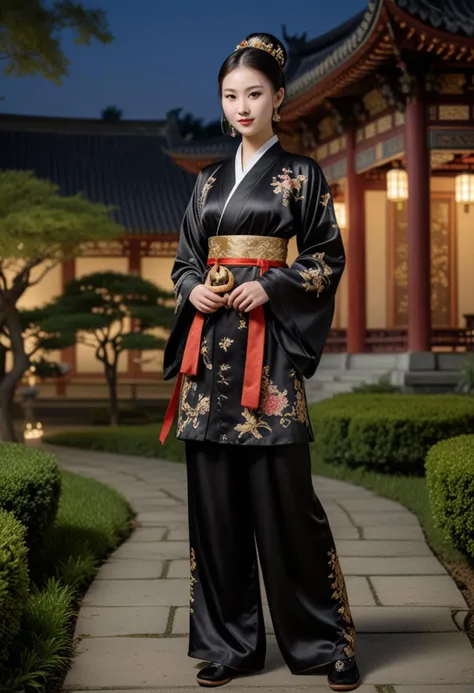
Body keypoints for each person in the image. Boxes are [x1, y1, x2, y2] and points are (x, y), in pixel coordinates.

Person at [159, 32, 361, 692]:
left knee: (288, 506)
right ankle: (230, 645)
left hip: (267, 358)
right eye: (230, 96)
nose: (241, 107)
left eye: (254, 94)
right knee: (214, 512)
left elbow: (327, 256)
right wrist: (193, 287)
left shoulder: (302, 175)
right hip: (207, 362)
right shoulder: (210, 180)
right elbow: (185, 257)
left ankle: (328, 640)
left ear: (279, 97)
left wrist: (269, 284)